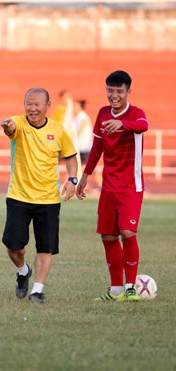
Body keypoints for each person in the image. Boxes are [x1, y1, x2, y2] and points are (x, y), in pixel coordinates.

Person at [0, 87, 78, 304]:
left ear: (47, 106)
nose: (32, 108)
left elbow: (71, 157)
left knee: (46, 247)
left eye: (37, 104)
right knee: (14, 246)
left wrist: (72, 179)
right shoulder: (18, 124)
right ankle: (23, 271)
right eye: (29, 104)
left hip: (49, 199)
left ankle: (37, 290)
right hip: (19, 195)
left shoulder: (59, 130)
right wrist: (8, 125)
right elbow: (10, 128)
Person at [76, 70, 148, 302]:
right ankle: (116, 289)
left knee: (127, 232)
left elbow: (143, 125)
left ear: (128, 91)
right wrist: (85, 175)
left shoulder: (136, 113)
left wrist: (122, 124)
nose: (114, 95)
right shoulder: (103, 113)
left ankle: (130, 286)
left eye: (119, 91)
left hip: (130, 186)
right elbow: (97, 146)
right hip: (108, 187)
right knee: (108, 236)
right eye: (110, 90)